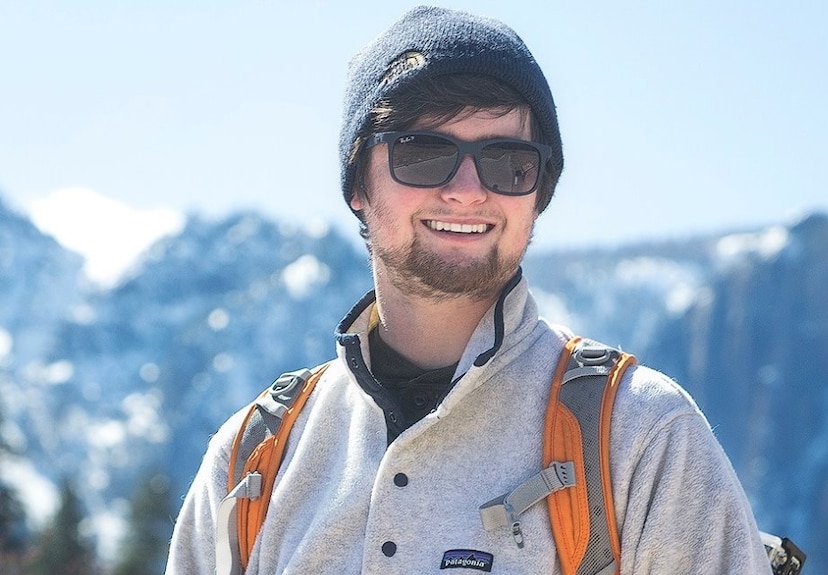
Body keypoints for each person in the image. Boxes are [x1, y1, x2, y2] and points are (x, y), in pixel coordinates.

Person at [165, 6, 773, 574]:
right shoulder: (252, 460)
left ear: (539, 193)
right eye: (423, 153)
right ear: (358, 185)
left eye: (509, 162)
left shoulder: (642, 437)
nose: (465, 189)